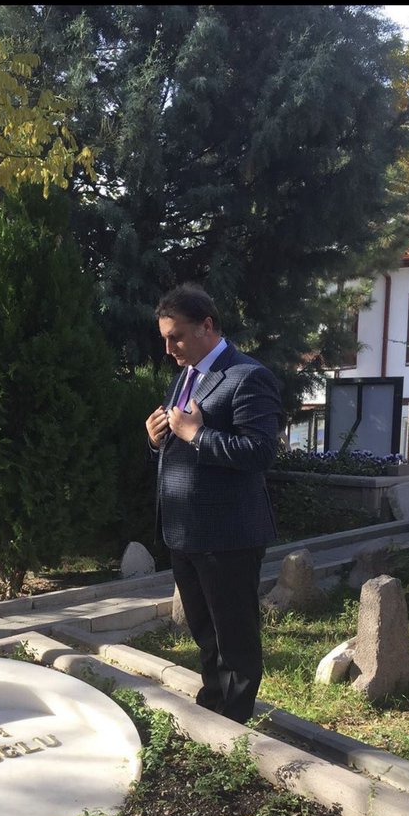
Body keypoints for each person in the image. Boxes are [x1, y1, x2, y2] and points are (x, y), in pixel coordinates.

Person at [146, 283, 282, 724]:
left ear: (207, 326)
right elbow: (180, 440)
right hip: (184, 531)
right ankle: (213, 705)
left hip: (228, 534)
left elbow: (260, 452)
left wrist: (196, 434)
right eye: (165, 337)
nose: (169, 348)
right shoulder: (185, 375)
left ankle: (235, 722)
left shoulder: (247, 376)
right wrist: (158, 439)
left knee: (235, 637)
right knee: (205, 633)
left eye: (177, 337)